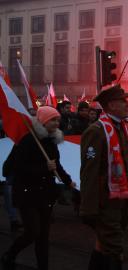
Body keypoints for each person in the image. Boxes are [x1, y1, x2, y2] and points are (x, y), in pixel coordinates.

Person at [80, 84, 128, 270]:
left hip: (122, 201)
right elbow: (89, 172)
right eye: (123, 100)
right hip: (105, 203)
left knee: (103, 245)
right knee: (115, 250)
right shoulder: (96, 131)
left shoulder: (122, 129)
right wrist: (88, 208)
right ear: (111, 105)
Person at [1, 106, 75, 270]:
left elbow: (56, 165)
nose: (57, 123)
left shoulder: (51, 141)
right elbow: (15, 168)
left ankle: (43, 266)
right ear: (43, 121)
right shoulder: (27, 141)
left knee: (43, 236)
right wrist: (44, 168)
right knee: (32, 232)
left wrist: (68, 181)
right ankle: (10, 254)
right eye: (53, 120)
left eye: (57, 120)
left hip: (45, 194)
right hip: (27, 194)